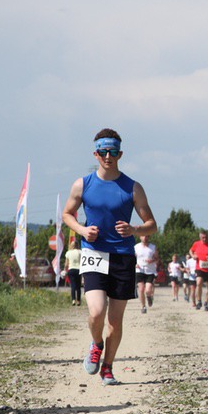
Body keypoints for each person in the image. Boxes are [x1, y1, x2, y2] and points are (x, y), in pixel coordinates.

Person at [62, 128, 157, 386]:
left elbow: (152, 225)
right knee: (96, 312)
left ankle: (107, 368)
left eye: (112, 151)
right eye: (103, 151)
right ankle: (96, 344)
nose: (108, 156)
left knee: (115, 321)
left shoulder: (133, 187)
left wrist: (134, 229)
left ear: (120, 154)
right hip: (94, 253)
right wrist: (82, 230)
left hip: (122, 257)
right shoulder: (83, 184)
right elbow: (67, 214)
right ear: (95, 154)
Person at [188, 230, 208, 312]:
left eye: (206, 237)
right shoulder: (196, 243)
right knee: (199, 283)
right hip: (199, 268)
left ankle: (206, 303)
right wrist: (193, 255)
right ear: (200, 237)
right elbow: (191, 250)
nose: (204, 239)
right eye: (203, 238)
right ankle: (199, 302)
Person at [133, 233, 159, 314]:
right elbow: (132, 257)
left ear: (148, 237)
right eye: (143, 236)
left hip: (150, 270)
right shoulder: (136, 247)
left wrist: (152, 260)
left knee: (148, 290)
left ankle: (149, 296)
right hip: (139, 270)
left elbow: (157, 258)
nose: (145, 238)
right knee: (141, 289)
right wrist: (134, 264)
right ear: (140, 237)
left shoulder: (152, 247)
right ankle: (143, 306)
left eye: (146, 236)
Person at [64, 238, 83, 306]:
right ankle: (78, 301)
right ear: (78, 245)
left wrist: (65, 270)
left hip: (71, 270)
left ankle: (73, 300)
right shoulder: (80, 252)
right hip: (78, 270)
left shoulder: (68, 253)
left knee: (73, 285)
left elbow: (66, 264)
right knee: (78, 286)